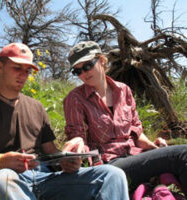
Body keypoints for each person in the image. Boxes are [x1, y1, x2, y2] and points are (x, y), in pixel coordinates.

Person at [0, 42, 130, 200]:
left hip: (47, 178)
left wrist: (66, 162)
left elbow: (51, 151)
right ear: (0, 67)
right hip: (11, 178)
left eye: (28, 70)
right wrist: (1, 161)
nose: (23, 76)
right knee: (0, 182)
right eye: (17, 68)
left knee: (112, 175)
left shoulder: (36, 107)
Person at [63, 41, 187, 195]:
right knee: (182, 155)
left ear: (102, 60)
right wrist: (77, 147)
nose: (83, 73)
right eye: (77, 71)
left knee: (174, 155)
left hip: (135, 155)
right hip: (109, 164)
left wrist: (154, 148)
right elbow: (77, 136)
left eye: (87, 66)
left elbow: (136, 132)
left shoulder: (124, 90)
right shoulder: (75, 98)